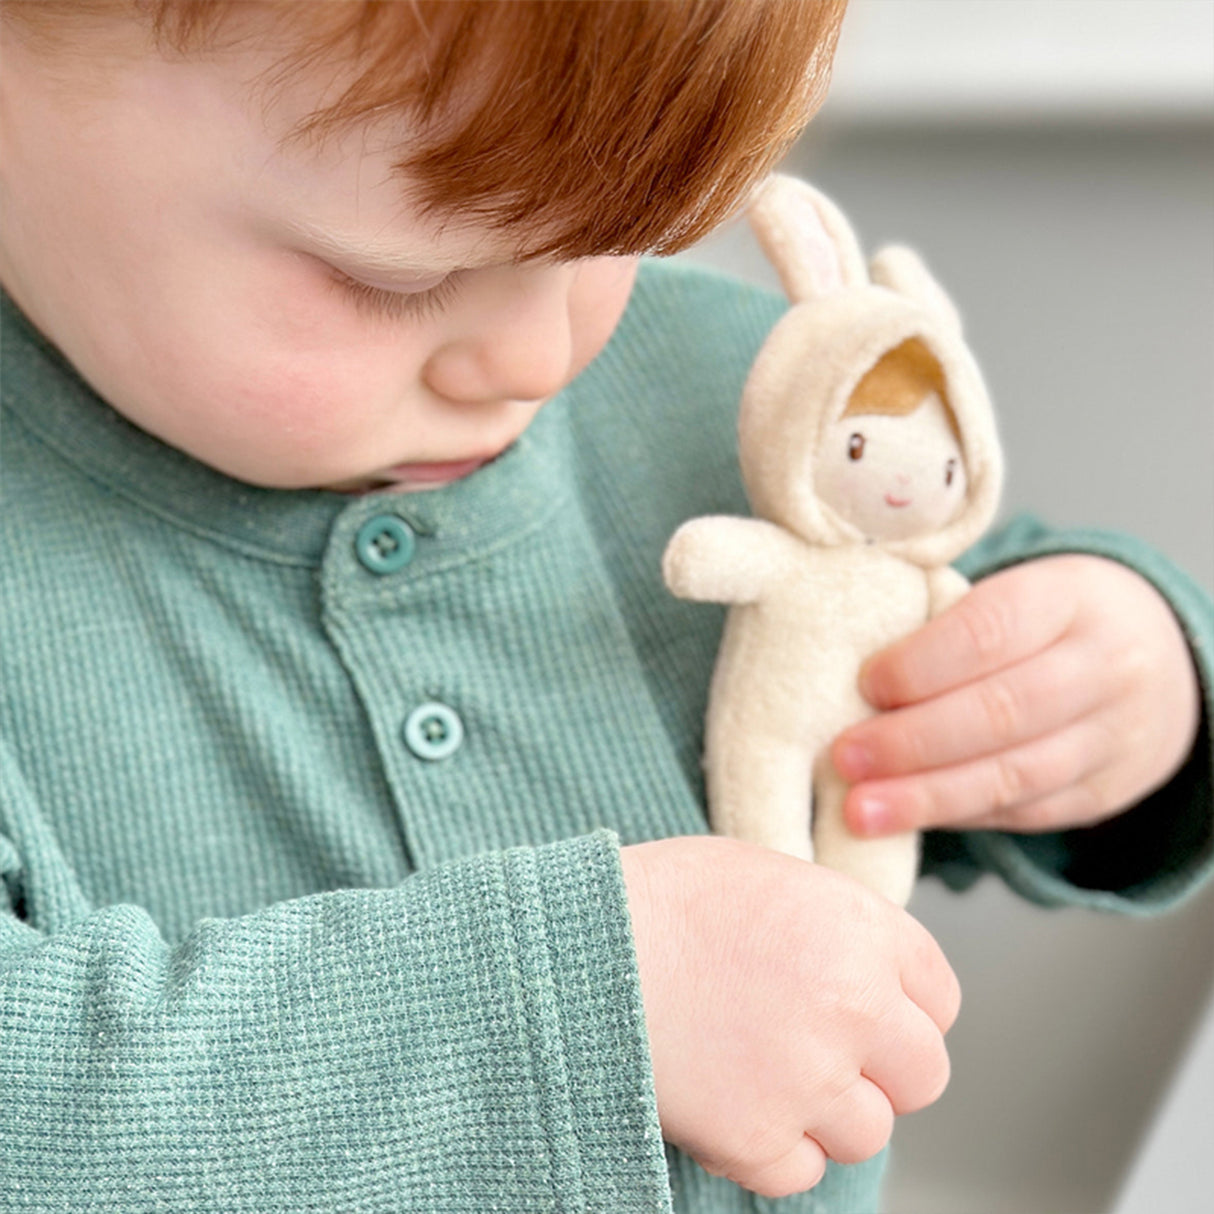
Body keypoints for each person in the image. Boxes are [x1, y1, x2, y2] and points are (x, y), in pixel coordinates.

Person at [0, 2, 1208, 1211]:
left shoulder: (732, 401)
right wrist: (571, 1008)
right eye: (394, 276)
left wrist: (1116, 687)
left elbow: (931, 663)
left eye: (619, 239)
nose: (534, 356)